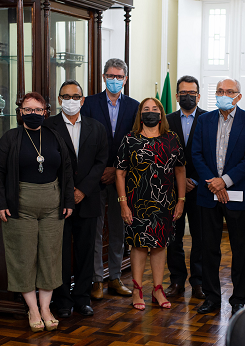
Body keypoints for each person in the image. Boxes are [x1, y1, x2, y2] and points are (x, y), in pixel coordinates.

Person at [0, 92, 74, 332]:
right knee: (24, 257)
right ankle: (33, 309)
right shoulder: (10, 138)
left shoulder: (54, 137)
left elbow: (67, 171)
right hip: (20, 207)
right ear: (20, 112)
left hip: (53, 206)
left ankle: (46, 308)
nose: (33, 114)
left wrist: (68, 200)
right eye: (28, 109)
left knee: (50, 257)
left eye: (38, 110)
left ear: (45, 113)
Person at [192, 78, 245, 315]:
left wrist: (225, 181)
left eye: (229, 91)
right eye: (220, 90)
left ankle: (238, 299)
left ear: (238, 96)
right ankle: (211, 297)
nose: (224, 94)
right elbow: (197, 154)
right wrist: (214, 184)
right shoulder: (204, 120)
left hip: (238, 194)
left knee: (240, 249)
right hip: (208, 194)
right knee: (208, 248)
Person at [44, 80, 108, 318]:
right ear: (59, 100)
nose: (70, 100)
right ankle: (62, 301)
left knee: (85, 251)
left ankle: (82, 298)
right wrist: (67, 192)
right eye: (65, 96)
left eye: (75, 96)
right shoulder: (48, 126)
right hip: (58, 201)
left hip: (87, 199)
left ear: (83, 100)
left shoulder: (96, 127)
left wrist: (83, 190)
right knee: (59, 254)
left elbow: (101, 162)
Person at [115, 97, 186, 310]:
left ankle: (158, 289)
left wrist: (181, 201)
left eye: (155, 109)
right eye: (146, 109)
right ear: (140, 114)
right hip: (136, 202)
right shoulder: (130, 139)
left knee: (159, 245)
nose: (150, 112)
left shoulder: (171, 138)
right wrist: (123, 204)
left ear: (162, 113)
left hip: (165, 202)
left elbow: (180, 170)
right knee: (138, 245)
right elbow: (120, 173)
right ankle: (137, 290)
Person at [81, 58, 139, 299]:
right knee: (95, 230)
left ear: (125, 79)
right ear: (103, 77)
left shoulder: (135, 106)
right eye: (110, 76)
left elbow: (135, 141)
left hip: (122, 177)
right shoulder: (89, 103)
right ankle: (96, 279)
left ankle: (114, 277)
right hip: (94, 176)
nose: (115, 80)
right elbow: (83, 139)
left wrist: (115, 168)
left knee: (118, 229)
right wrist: (101, 168)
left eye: (119, 77)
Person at [165, 75, 207, 299]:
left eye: (192, 93)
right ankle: (177, 281)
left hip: (201, 189)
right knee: (174, 237)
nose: (187, 97)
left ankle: (198, 282)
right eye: (183, 93)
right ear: (177, 95)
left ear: (198, 96)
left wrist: (195, 180)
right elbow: (161, 155)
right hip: (172, 190)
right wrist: (178, 181)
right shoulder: (166, 120)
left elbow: (212, 156)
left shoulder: (210, 119)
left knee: (200, 238)